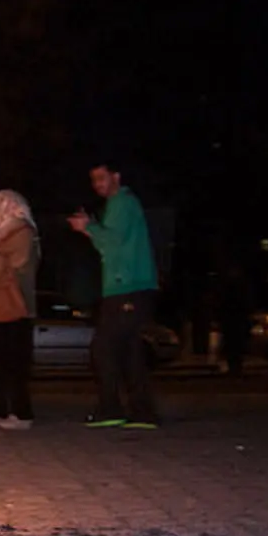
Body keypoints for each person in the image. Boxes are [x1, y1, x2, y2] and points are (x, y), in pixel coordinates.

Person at [68, 160, 161, 429]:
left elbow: (112, 242)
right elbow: (113, 241)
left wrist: (87, 227)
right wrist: (92, 228)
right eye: (94, 180)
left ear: (116, 176)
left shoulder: (121, 202)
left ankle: (113, 408)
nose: (98, 185)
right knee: (130, 350)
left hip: (126, 287)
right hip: (130, 286)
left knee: (104, 348)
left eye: (102, 178)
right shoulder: (123, 203)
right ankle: (140, 411)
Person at [0, 190, 40, 430]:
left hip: (15, 306)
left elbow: (17, 267)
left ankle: (22, 414)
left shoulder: (22, 231)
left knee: (14, 364)